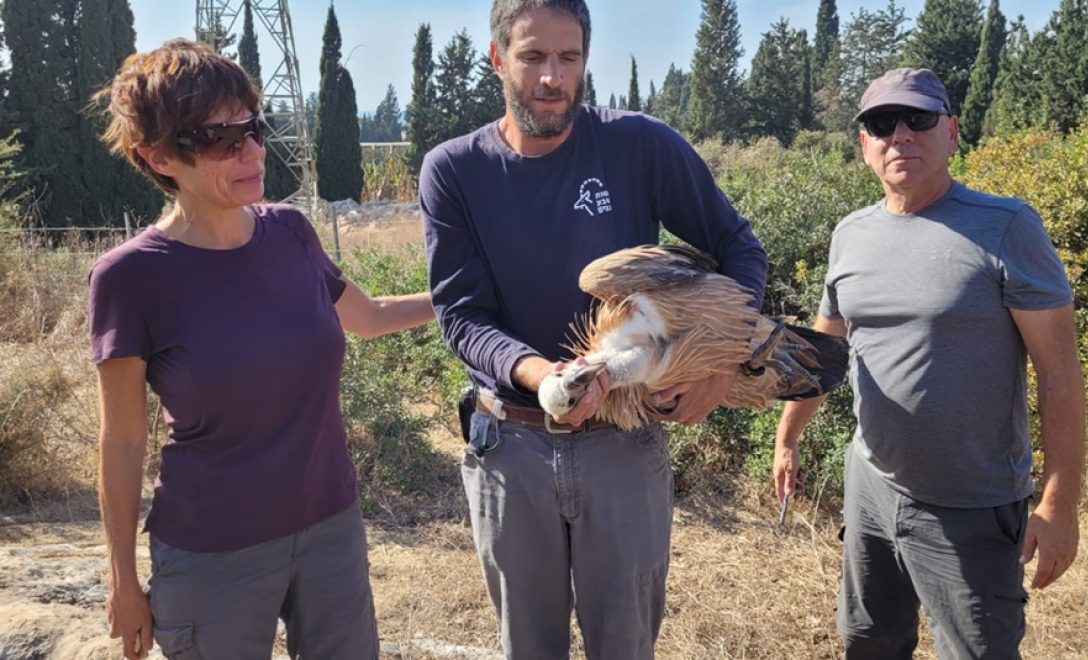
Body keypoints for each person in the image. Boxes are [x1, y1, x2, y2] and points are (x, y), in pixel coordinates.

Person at [420, 1, 767, 656]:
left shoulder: (638, 144)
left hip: (624, 446)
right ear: (497, 58)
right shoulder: (455, 171)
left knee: (626, 643)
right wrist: (541, 375)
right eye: (532, 57)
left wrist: (718, 363)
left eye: (568, 58)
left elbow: (739, 248)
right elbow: (461, 314)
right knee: (530, 646)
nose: (552, 77)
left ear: (584, 59)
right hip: (512, 449)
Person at [89, 39, 433, 659]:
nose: (251, 151)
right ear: (158, 156)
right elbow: (122, 439)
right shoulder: (129, 277)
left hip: (331, 529)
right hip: (210, 553)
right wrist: (122, 577)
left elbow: (371, 316)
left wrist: (467, 295)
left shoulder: (292, 233)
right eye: (219, 139)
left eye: (253, 127)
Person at [773, 67, 1086, 659]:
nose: (902, 135)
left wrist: (1058, 505)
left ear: (952, 132)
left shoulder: (1006, 227)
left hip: (972, 506)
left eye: (919, 119)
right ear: (862, 143)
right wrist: (787, 437)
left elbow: (1060, 373)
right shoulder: (851, 234)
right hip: (871, 489)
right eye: (881, 123)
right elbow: (825, 350)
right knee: (869, 643)